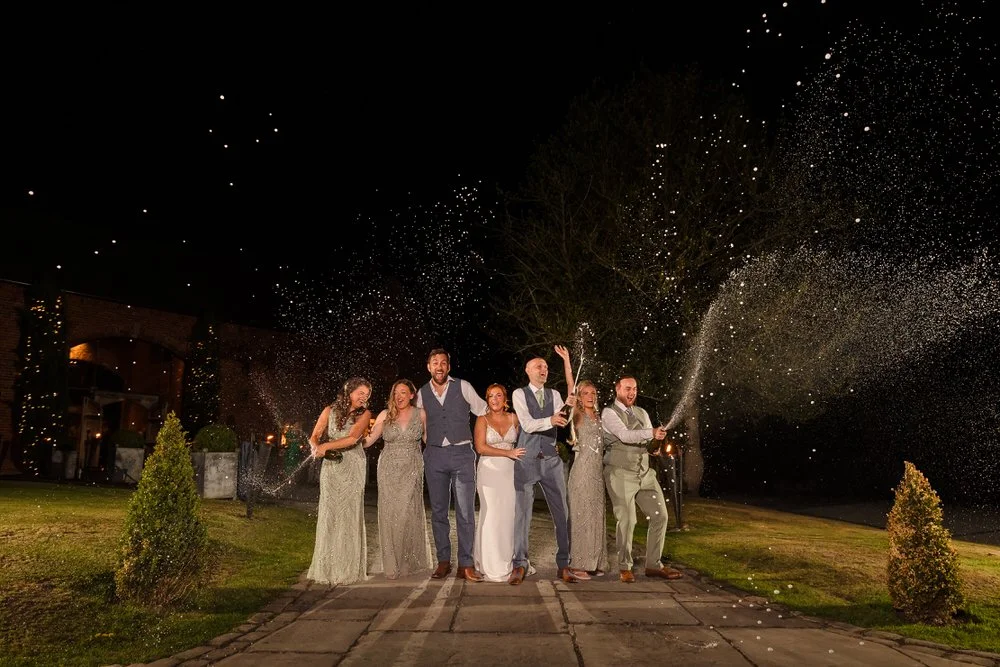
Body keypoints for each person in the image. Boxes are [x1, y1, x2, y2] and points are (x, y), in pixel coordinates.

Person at [509, 346, 587, 584]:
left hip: (551, 461)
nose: (543, 370)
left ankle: (564, 564)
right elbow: (527, 424)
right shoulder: (519, 394)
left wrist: (568, 406)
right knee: (523, 514)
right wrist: (551, 419)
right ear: (528, 370)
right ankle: (519, 564)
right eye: (538, 366)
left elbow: (564, 415)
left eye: (545, 367)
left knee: (562, 513)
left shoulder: (553, 394)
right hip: (526, 460)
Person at [416, 348, 488, 581]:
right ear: (429, 367)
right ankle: (443, 562)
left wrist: (481, 440)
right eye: (435, 362)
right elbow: (416, 423)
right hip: (434, 455)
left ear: (449, 366)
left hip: (462, 454)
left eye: (443, 363)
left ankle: (465, 564)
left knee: (465, 511)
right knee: (438, 511)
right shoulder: (421, 393)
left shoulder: (463, 386)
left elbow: (484, 411)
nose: (439, 366)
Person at [601, 375, 683, 583]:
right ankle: (625, 567)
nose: (632, 393)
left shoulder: (642, 412)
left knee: (660, 516)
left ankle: (654, 565)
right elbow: (625, 435)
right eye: (627, 388)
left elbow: (647, 441)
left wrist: (656, 444)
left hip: (645, 473)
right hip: (620, 473)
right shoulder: (609, 413)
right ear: (617, 389)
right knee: (627, 520)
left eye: (635, 389)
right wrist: (651, 432)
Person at [305, 377, 374, 585]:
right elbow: (314, 436)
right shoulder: (329, 410)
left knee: (348, 513)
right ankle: (327, 567)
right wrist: (315, 446)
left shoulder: (365, 414)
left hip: (353, 465)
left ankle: (347, 569)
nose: (364, 397)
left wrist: (326, 446)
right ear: (349, 391)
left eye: (367, 395)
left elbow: (353, 438)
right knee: (330, 512)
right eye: (360, 393)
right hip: (331, 467)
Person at [365, 379, 433, 579]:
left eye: (403, 392)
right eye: (395, 393)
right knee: (390, 514)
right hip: (388, 469)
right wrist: (348, 438)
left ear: (412, 395)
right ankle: (392, 563)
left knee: (406, 515)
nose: (399, 396)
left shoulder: (421, 414)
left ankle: (406, 561)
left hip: (412, 468)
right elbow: (369, 440)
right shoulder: (385, 415)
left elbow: (429, 440)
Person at [472, 384, 526, 582]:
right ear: (487, 400)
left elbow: (526, 440)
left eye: (498, 395)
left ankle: (509, 560)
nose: (494, 399)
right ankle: (490, 563)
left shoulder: (514, 418)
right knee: (492, 514)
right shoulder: (482, 419)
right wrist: (507, 452)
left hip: (511, 472)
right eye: (490, 396)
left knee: (509, 515)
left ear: (505, 399)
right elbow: (480, 447)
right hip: (489, 472)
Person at [566, 379, 609, 576]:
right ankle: (578, 564)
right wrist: (567, 365)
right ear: (579, 397)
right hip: (582, 472)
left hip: (597, 474)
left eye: (593, 393)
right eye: (586, 393)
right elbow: (571, 386)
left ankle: (595, 562)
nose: (590, 397)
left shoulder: (600, 417)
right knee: (581, 517)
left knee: (596, 517)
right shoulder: (577, 414)